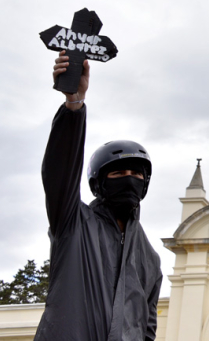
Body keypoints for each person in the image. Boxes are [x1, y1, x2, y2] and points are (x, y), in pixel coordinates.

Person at [35, 51, 162, 341]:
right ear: (98, 184)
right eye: (117, 174)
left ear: (145, 183)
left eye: (136, 173)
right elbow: (60, 172)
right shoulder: (72, 222)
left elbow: (147, 329)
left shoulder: (151, 259)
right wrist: (74, 104)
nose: (129, 178)